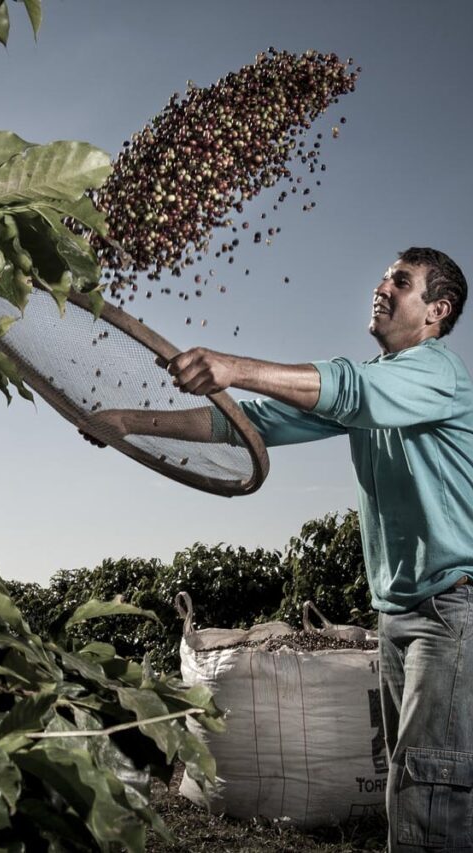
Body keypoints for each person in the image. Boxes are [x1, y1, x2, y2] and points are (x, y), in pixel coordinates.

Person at [84, 246, 472, 852]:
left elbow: (348, 388)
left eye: (400, 281)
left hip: (451, 609)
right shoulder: (375, 389)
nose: (381, 287)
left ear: (436, 311)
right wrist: (130, 422)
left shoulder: (435, 374)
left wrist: (232, 366)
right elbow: (250, 424)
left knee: (431, 785)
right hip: (399, 612)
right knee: (412, 777)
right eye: (382, 277)